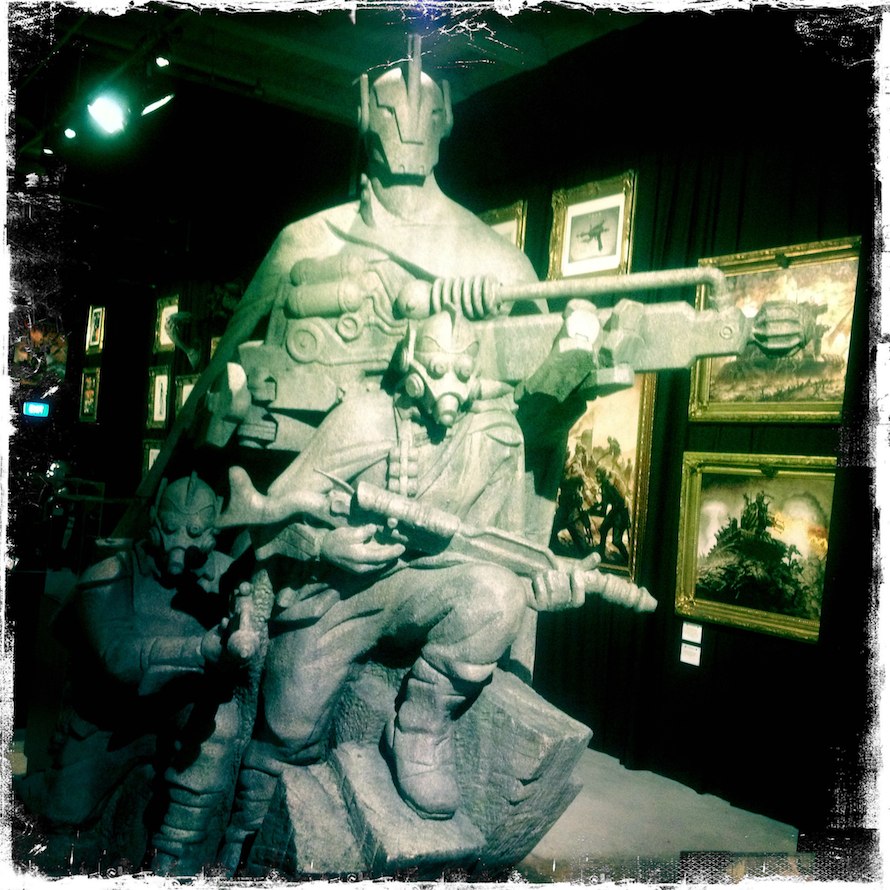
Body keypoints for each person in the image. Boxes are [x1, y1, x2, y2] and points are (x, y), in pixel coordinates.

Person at [218, 306, 591, 868]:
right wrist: (325, 545)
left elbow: (499, 553)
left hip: (427, 584)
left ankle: (419, 727)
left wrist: (537, 590)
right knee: (287, 729)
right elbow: (270, 516)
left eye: (463, 372)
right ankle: (242, 847)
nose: (450, 385)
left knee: (497, 596)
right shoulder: (364, 418)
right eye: (437, 369)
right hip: (339, 593)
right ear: (412, 368)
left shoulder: (495, 437)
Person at [18, 474, 253, 876]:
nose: (182, 540)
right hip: (110, 720)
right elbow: (120, 658)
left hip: (180, 714)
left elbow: (246, 645)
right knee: (65, 818)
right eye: (172, 527)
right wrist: (198, 649)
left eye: (195, 531)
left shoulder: (225, 577)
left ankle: (175, 856)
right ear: (155, 521)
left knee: (220, 725)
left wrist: (246, 626)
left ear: (213, 532)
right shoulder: (110, 575)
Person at [593, 465, 630, 564]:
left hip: (621, 512)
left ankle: (628, 560)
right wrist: (595, 508)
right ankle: (601, 555)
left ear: (603, 475)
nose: (597, 478)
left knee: (616, 541)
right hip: (615, 511)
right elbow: (604, 505)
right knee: (603, 529)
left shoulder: (611, 484)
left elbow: (620, 500)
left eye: (599, 476)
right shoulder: (605, 485)